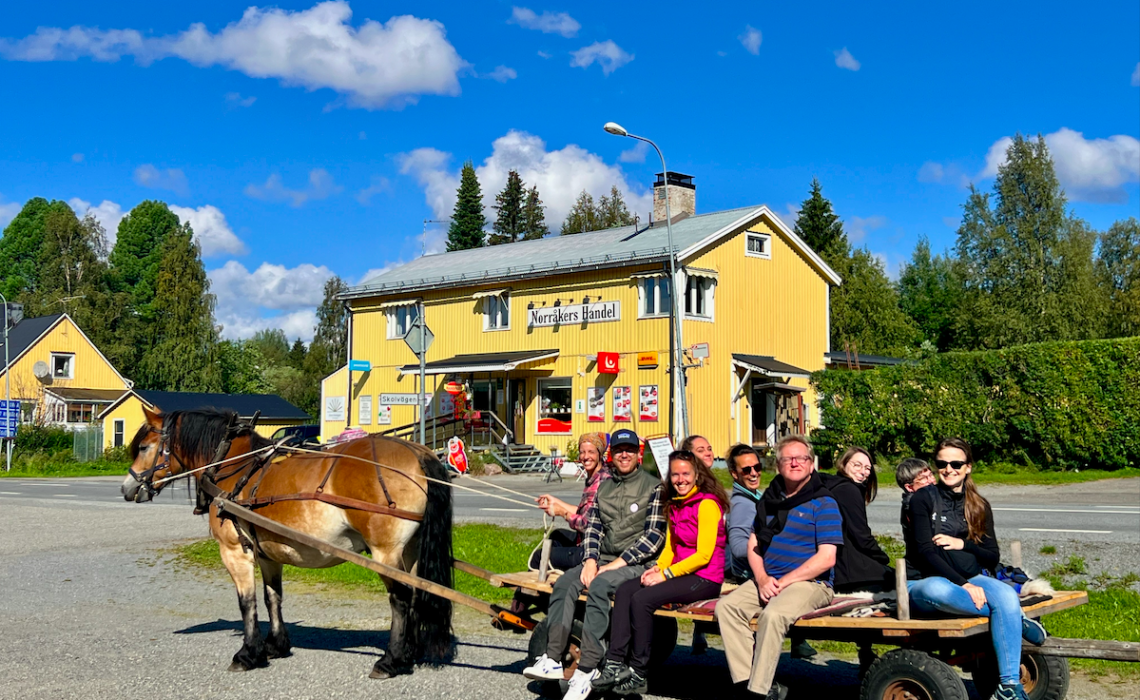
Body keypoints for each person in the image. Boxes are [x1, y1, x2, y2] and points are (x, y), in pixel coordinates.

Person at [522, 428, 666, 700]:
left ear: (638, 454)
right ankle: (552, 658)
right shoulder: (605, 487)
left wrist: (614, 565)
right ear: (613, 454)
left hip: (637, 563)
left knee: (599, 585)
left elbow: (654, 537)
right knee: (565, 583)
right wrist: (589, 560)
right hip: (602, 559)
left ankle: (587, 668)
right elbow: (593, 529)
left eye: (630, 450)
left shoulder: (654, 487)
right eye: (620, 450)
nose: (625, 455)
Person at [903, 438, 1047, 700]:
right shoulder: (922, 499)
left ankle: (1008, 686)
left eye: (956, 463)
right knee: (940, 588)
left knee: (1004, 595)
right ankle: (1013, 616)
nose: (948, 469)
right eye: (942, 463)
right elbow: (925, 552)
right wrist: (963, 584)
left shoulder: (979, 504)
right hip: (925, 584)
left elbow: (992, 557)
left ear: (968, 467)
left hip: (970, 578)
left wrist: (962, 544)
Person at [716, 435, 843, 700]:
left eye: (801, 458)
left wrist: (782, 583)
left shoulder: (825, 502)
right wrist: (762, 579)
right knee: (727, 607)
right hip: (768, 579)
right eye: (788, 458)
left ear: (811, 464)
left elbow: (827, 558)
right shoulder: (770, 500)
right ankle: (751, 683)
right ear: (778, 465)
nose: (795, 463)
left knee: (772, 616)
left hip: (811, 584)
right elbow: (753, 544)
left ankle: (757, 693)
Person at [593, 450, 729, 695]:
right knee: (625, 590)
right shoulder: (675, 502)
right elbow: (670, 546)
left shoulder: (707, 504)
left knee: (643, 599)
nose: (680, 480)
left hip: (704, 577)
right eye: (675, 475)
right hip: (679, 573)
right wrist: (659, 567)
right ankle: (614, 662)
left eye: (685, 474)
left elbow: (703, 556)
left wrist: (665, 576)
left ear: (697, 475)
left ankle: (638, 670)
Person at [818, 447, 893, 593]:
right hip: (850, 572)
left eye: (867, 468)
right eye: (857, 465)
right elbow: (861, 536)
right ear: (843, 464)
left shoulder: (834, 486)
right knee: (909, 579)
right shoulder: (848, 491)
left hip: (840, 567)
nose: (863, 471)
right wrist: (883, 558)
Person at [534, 432, 613, 571]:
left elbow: (587, 525)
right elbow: (585, 512)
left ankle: (527, 591)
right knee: (556, 536)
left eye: (591, 452)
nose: (586, 456)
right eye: (582, 452)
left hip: (593, 549)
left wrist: (562, 513)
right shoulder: (594, 477)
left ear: (600, 455)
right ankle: (558, 578)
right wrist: (555, 502)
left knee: (539, 556)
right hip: (584, 540)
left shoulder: (603, 481)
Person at [680, 434, 716, 655]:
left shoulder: (714, 482)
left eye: (709, 448)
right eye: (701, 449)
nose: (708, 452)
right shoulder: (687, 485)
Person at [724, 443, 763, 582]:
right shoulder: (742, 505)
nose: (753, 473)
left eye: (757, 467)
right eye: (746, 470)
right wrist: (771, 543)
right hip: (749, 577)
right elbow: (737, 547)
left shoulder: (755, 496)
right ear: (734, 473)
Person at [895, 457, 936, 530]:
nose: (931, 480)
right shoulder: (914, 507)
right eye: (923, 478)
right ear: (909, 487)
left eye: (931, 475)